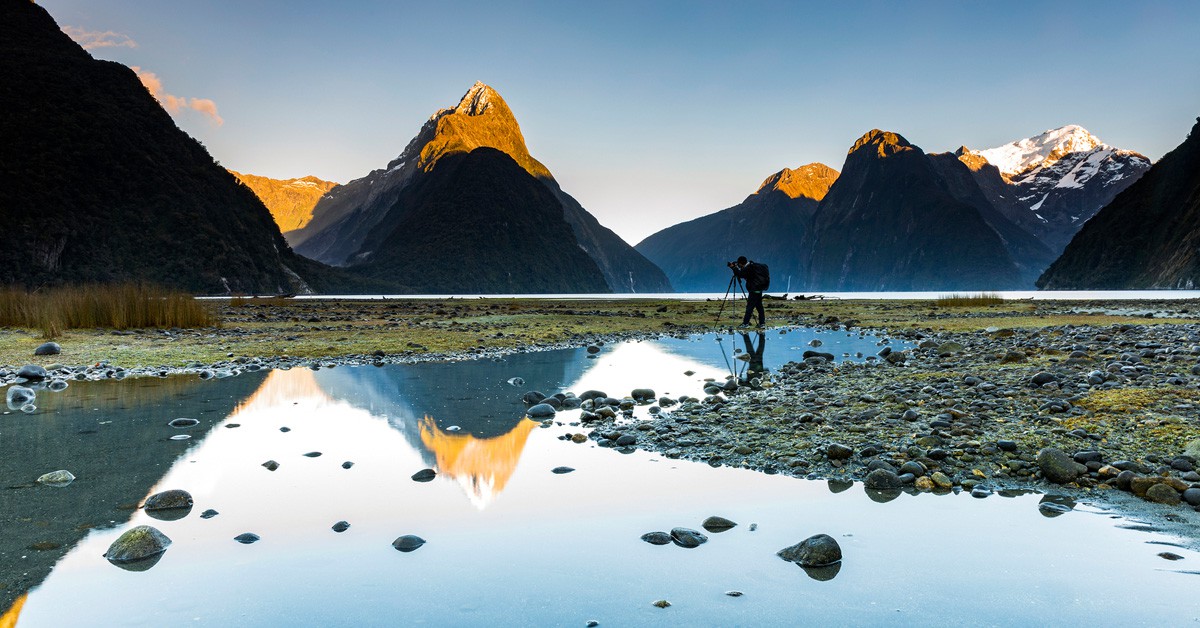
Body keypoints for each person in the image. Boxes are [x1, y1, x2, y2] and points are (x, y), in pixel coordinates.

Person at [728, 256, 769, 327]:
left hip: (754, 290)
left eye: (739, 264)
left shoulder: (748, 268)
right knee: (759, 307)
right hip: (759, 289)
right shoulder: (752, 266)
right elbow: (743, 274)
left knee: (749, 307)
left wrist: (734, 268)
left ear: (741, 263)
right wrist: (735, 268)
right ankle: (762, 323)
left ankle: (745, 323)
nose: (739, 266)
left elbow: (740, 274)